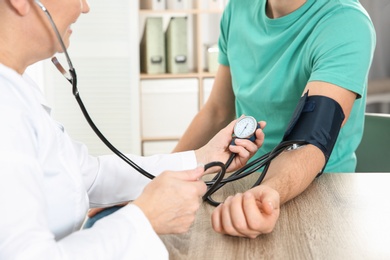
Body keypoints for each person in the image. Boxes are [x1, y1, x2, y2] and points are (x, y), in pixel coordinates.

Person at [0, 0, 265, 259]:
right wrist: (145, 218)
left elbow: (89, 176)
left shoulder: (18, 89)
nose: (84, 6)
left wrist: (204, 158)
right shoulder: (5, 110)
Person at [173, 0, 376, 238]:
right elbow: (217, 111)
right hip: (241, 181)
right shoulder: (238, 8)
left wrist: (266, 193)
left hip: (317, 192)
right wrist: (159, 172)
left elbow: (309, 141)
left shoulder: (345, 23)